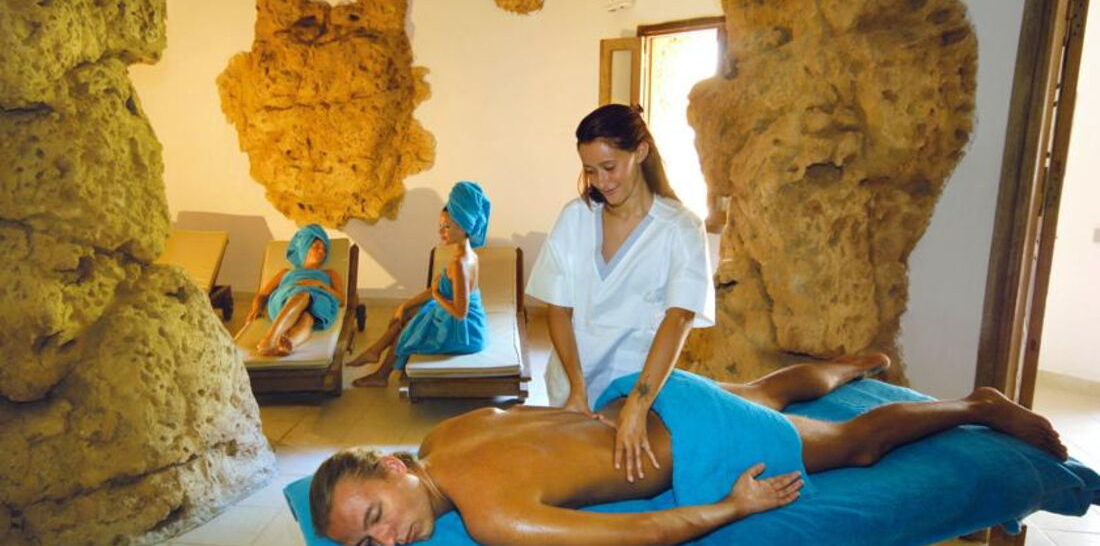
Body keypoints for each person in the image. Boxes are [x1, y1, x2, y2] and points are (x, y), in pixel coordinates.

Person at [309, 353, 1068, 546]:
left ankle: (977, 405)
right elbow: (555, 415)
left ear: (393, 466)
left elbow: (645, 531)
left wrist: (731, 506)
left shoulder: (492, 517)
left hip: (700, 438)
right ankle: (850, 365)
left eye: (376, 515)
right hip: (648, 400)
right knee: (764, 389)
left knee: (856, 445)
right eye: (367, 544)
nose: (389, 540)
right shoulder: (447, 433)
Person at [526, 103, 715, 482]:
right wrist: (576, 389)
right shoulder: (575, 218)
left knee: (621, 479)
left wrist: (638, 405)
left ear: (640, 152)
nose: (601, 181)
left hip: (636, 386)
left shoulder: (679, 228)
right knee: (567, 476)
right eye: (590, 170)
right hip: (572, 381)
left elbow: (678, 318)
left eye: (609, 167)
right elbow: (558, 309)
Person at [349, 181, 492, 388]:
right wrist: (406, 304)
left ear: (463, 228)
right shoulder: (469, 255)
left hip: (464, 333)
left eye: (447, 227)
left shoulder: (459, 264)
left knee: (410, 326)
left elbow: (460, 312)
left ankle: (380, 372)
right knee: (407, 313)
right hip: (467, 324)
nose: (441, 232)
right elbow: (442, 290)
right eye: (440, 226)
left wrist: (437, 295)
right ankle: (376, 353)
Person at [247, 224, 345, 357]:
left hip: (319, 303)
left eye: (324, 249)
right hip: (285, 301)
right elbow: (264, 294)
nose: (321, 251)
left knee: (308, 317)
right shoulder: (285, 273)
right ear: (304, 247)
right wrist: (256, 308)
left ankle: (287, 342)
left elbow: (341, 299)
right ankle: (274, 339)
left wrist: (319, 285)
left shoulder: (329, 273)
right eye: (316, 246)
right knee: (302, 295)